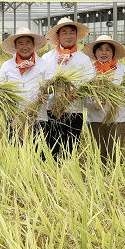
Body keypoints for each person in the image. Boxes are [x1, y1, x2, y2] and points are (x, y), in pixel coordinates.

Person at [42, 17, 94, 159]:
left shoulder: (84, 59)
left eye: (72, 32)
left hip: (74, 111)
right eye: (64, 33)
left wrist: (78, 91)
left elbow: (89, 82)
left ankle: (68, 178)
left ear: (76, 36)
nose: (69, 36)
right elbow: (41, 82)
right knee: (49, 150)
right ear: (58, 36)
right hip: (51, 111)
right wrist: (51, 89)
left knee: (70, 151)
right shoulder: (47, 58)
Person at [82, 35, 125, 163]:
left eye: (108, 49)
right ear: (95, 52)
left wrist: (117, 94)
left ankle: (115, 181)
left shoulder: (124, 71)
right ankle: (100, 181)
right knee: (99, 154)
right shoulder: (88, 72)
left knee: (115, 154)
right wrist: (96, 102)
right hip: (96, 119)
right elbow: (84, 99)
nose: (104, 53)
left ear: (113, 52)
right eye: (100, 49)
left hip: (118, 119)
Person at [0, 27, 48, 144]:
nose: (24, 47)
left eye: (28, 43)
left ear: (34, 45)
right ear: (15, 46)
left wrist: (46, 95)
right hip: (14, 118)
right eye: (20, 43)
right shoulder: (7, 66)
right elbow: (1, 88)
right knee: (15, 153)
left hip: (38, 117)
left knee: (39, 153)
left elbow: (51, 88)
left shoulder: (44, 65)